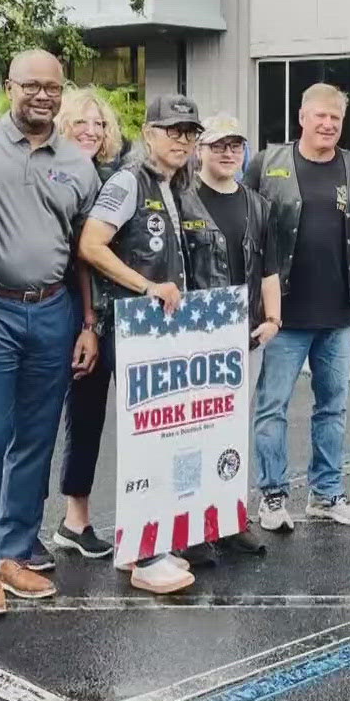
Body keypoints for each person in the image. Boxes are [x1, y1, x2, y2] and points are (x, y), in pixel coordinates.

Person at [0, 50, 100, 615]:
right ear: (8, 87)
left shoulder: (78, 163)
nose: (42, 95)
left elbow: (84, 253)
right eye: (31, 85)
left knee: (37, 439)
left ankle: (16, 551)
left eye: (52, 87)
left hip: (56, 311)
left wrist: (87, 323)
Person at [78, 94, 232, 593]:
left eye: (190, 132)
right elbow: (90, 244)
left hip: (163, 330)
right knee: (148, 440)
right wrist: (145, 287)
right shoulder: (128, 181)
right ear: (148, 134)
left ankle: (142, 543)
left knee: (162, 437)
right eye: (172, 131)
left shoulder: (176, 184)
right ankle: (146, 555)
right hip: (134, 327)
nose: (182, 141)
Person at [246, 83, 350, 531]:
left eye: (336, 118)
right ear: (301, 116)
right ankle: (272, 496)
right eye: (320, 115)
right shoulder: (268, 164)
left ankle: (325, 494)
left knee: (333, 408)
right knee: (272, 407)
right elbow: (244, 227)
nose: (328, 124)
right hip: (282, 317)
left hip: (338, 314)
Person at [182, 113, 279, 562]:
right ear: (201, 149)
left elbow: (271, 269)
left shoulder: (258, 204)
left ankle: (230, 520)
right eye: (219, 144)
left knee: (235, 431)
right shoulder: (182, 202)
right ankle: (193, 525)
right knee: (196, 430)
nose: (227, 152)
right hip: (200, 338)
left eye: (236, 145)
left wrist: (274, 319)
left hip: (248, 337)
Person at [51, 84, 128, 560]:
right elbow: (82, 257)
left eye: (100, 124)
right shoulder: (58, 174)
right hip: (73, 309)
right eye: (82, 121)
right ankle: (73, 519)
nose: (92, 131)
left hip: (119, 312)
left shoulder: (115, 177)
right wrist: (88, 321)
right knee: (82, 414)